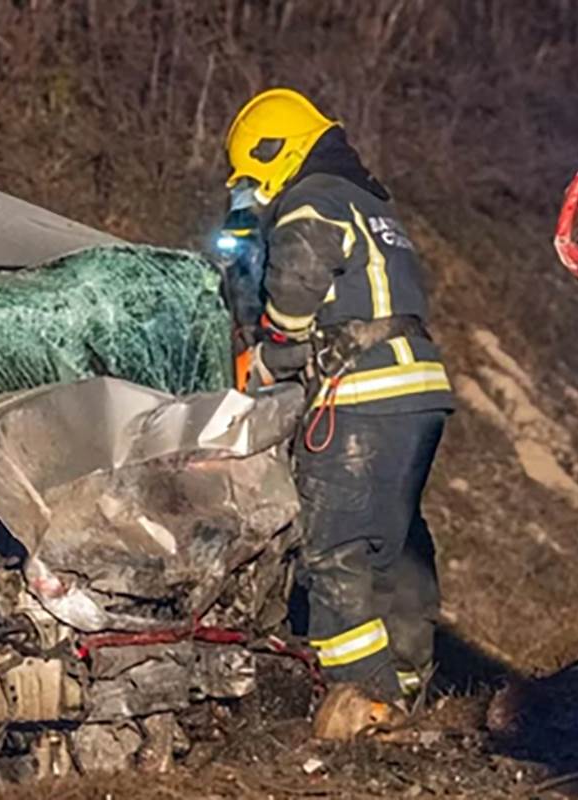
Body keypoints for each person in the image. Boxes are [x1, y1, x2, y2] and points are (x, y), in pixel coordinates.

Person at [224, 88, 454, 738]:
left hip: (362, 395)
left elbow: (295, 298)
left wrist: (268, 329)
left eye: (248, 174)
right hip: (418, 392)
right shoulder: (372, 204)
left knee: (336, 558)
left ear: (273, 151)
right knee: (397, 549)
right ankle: (410, 686)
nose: (246, 189)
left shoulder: (313, 199)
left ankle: (365, 710)